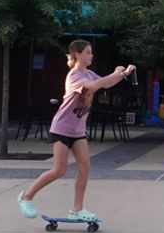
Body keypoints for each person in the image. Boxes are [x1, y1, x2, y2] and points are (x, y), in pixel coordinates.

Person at [16, 41, 135, 222]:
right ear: (77, 54)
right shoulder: (74, 75)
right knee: (59, 170)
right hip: (62, 128)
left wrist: (124, 73)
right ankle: (26, 196)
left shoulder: (89, 73)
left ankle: (77, 209)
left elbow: (106, 83)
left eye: (91, 52)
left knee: (85, 167)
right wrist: (115, 73)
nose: (91, 55)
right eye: (88, 52)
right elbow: (94, 86)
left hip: (78, 130)